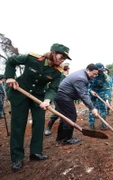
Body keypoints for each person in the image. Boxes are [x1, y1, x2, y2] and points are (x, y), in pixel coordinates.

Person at [4, 43, 71, 171]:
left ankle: (35, 152)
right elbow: (11, 61)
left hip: (39, 98)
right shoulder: (32, 58)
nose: (63, 59)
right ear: (53, 52)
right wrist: (10, 77)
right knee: (18, 125)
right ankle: (17, 157)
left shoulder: (58, 72)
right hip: (20, 93)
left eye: (65, 58)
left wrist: (47, 100)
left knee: (39, 122)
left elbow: (53, 88)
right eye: (61, 56)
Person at [55, 64, 99, 145]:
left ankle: (60, 137)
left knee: (64, 117)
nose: (95, 76)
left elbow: (82, 93)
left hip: (61, 96)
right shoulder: (81, 78)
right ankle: (67, 139)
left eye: (96, 74)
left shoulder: (83, 74)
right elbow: (83, 94)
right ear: (88, 70)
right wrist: (92, 108)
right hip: (64, 96)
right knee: (71, 116)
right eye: (94, 73)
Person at [44, 63, 70, 136]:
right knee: (58, 111)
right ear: (66, 69)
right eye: (68, 69)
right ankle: (48, 128)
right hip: (59, 97)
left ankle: (64, 130)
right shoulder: (61, 76)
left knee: (62, 112)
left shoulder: (65, 77)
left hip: (63, 97)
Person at [88, 63, 111, 130]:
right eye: (99, 70)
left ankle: (103, 125)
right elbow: (86, 85)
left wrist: (107, 99)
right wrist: (90, 91)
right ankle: (91, 125)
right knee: (92, 108)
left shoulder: (104, 76)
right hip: (92, 92)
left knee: (103, 108)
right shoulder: (91, 75)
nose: (100, 72)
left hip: (101, 92)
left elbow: (106, 88)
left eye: (102, 71)